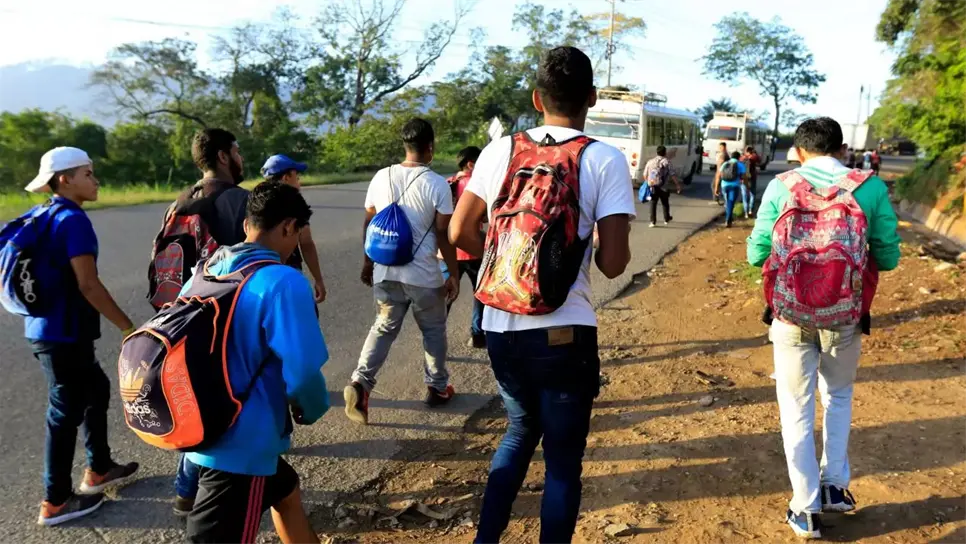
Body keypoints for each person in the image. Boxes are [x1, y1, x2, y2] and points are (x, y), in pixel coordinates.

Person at [449, 46, 634, 544]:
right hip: (564, 332)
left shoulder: (499, 151)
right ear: (592, 99)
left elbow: (460, 231)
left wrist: (507, 261)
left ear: (536, 98)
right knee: (561, 465)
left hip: (500, 326)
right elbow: (613, 264)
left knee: (517, 432)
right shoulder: (604, 158)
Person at [747, 117, 900, 539]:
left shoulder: (783, 186)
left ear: (798, 151)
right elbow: (887, 257)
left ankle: (805, 507)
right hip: (846, 314)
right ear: (842, 149)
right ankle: (835, 487)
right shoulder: (868, 187)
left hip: (791, 316)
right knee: (839, 396)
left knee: (795, 407)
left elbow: (756, 251)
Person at [184, 182, 329, 544]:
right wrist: (311, 409)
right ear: (288, 227)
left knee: (286, 491)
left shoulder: (208, 268)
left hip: (201, 420)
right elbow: (303, 369)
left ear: (248, 222)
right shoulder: (282, 280)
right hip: (241, 443)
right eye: (297, 234)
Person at [19, 147, 140, 526]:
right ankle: (54, 501)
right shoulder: (72, 220)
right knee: (64, 412)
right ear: (64, 180)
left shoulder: (43, 214)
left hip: (49, 329)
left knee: (97, 389)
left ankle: (99, 468)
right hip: (61, 333)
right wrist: (128, 326)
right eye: (88, 174)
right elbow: (89, 285)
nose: (96, 180)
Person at [344, 118, 460, 426]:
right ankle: (437, 387)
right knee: (433, 331)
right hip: (423, 276)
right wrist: (454, 273)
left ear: (405, 146)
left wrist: (368, 263)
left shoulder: (381, 177)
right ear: (430, 148)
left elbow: (369, 224)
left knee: (383, 328)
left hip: (386, 272)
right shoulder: (437, 184)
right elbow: (442, 234)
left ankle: (360, 383)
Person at [167, 129, 251, 517]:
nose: (240, 156)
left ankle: (185, 491)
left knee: (199, 400)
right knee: (226, 403)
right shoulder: (240, 201)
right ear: (222, 156)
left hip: (182, 316)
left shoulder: (181, 200)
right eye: (235, 150)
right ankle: (213, 492)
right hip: (227, 318)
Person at [261, 154, 328, 303]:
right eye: (296, 177)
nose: (299, 182)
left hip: (261, 274)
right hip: (289, 273)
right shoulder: (294, 204)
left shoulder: (257, 201)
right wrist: (318, 280)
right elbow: (306, 243)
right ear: (286, 177)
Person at [445, 146, 486, 348]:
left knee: (446, 295)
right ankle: (477, 334)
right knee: (480, 293)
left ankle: (435, 336)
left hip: (449, 251)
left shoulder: (448, 183)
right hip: (472, 249)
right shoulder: (476, 185)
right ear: (471, 163)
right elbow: (485, 216)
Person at [642, 145, 682, 227]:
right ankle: (666, 219)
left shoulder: (650, 161)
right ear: (665, 153)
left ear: (656, 152)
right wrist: (677, 185)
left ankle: (652, 222)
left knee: (653, 203)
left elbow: (645, 175)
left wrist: (648, 182)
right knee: (665, 202)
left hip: (652, 185)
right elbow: (672, 174)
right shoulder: (667, 162)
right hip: (663, 186)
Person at [720, 151, 746, 227]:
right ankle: (728, 220)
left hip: (724, 185)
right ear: (738, 157)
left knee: (728, 202)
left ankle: (729, 218)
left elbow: (720, 175)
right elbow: (744, 176)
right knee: (730, 202)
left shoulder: (725, 164)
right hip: (734, 185)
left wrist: (716, 188)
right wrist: (746, 186)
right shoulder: (740, 165)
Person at [740, 146, 761, 218]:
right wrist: (755, 153)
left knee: (744, 195)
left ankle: (746, 213)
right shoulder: (753, 157)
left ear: (746, 151)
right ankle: (750, 210)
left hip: (743, 178)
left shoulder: (742, 158)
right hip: (752, 178)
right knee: (752, 194)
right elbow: (759, 161)